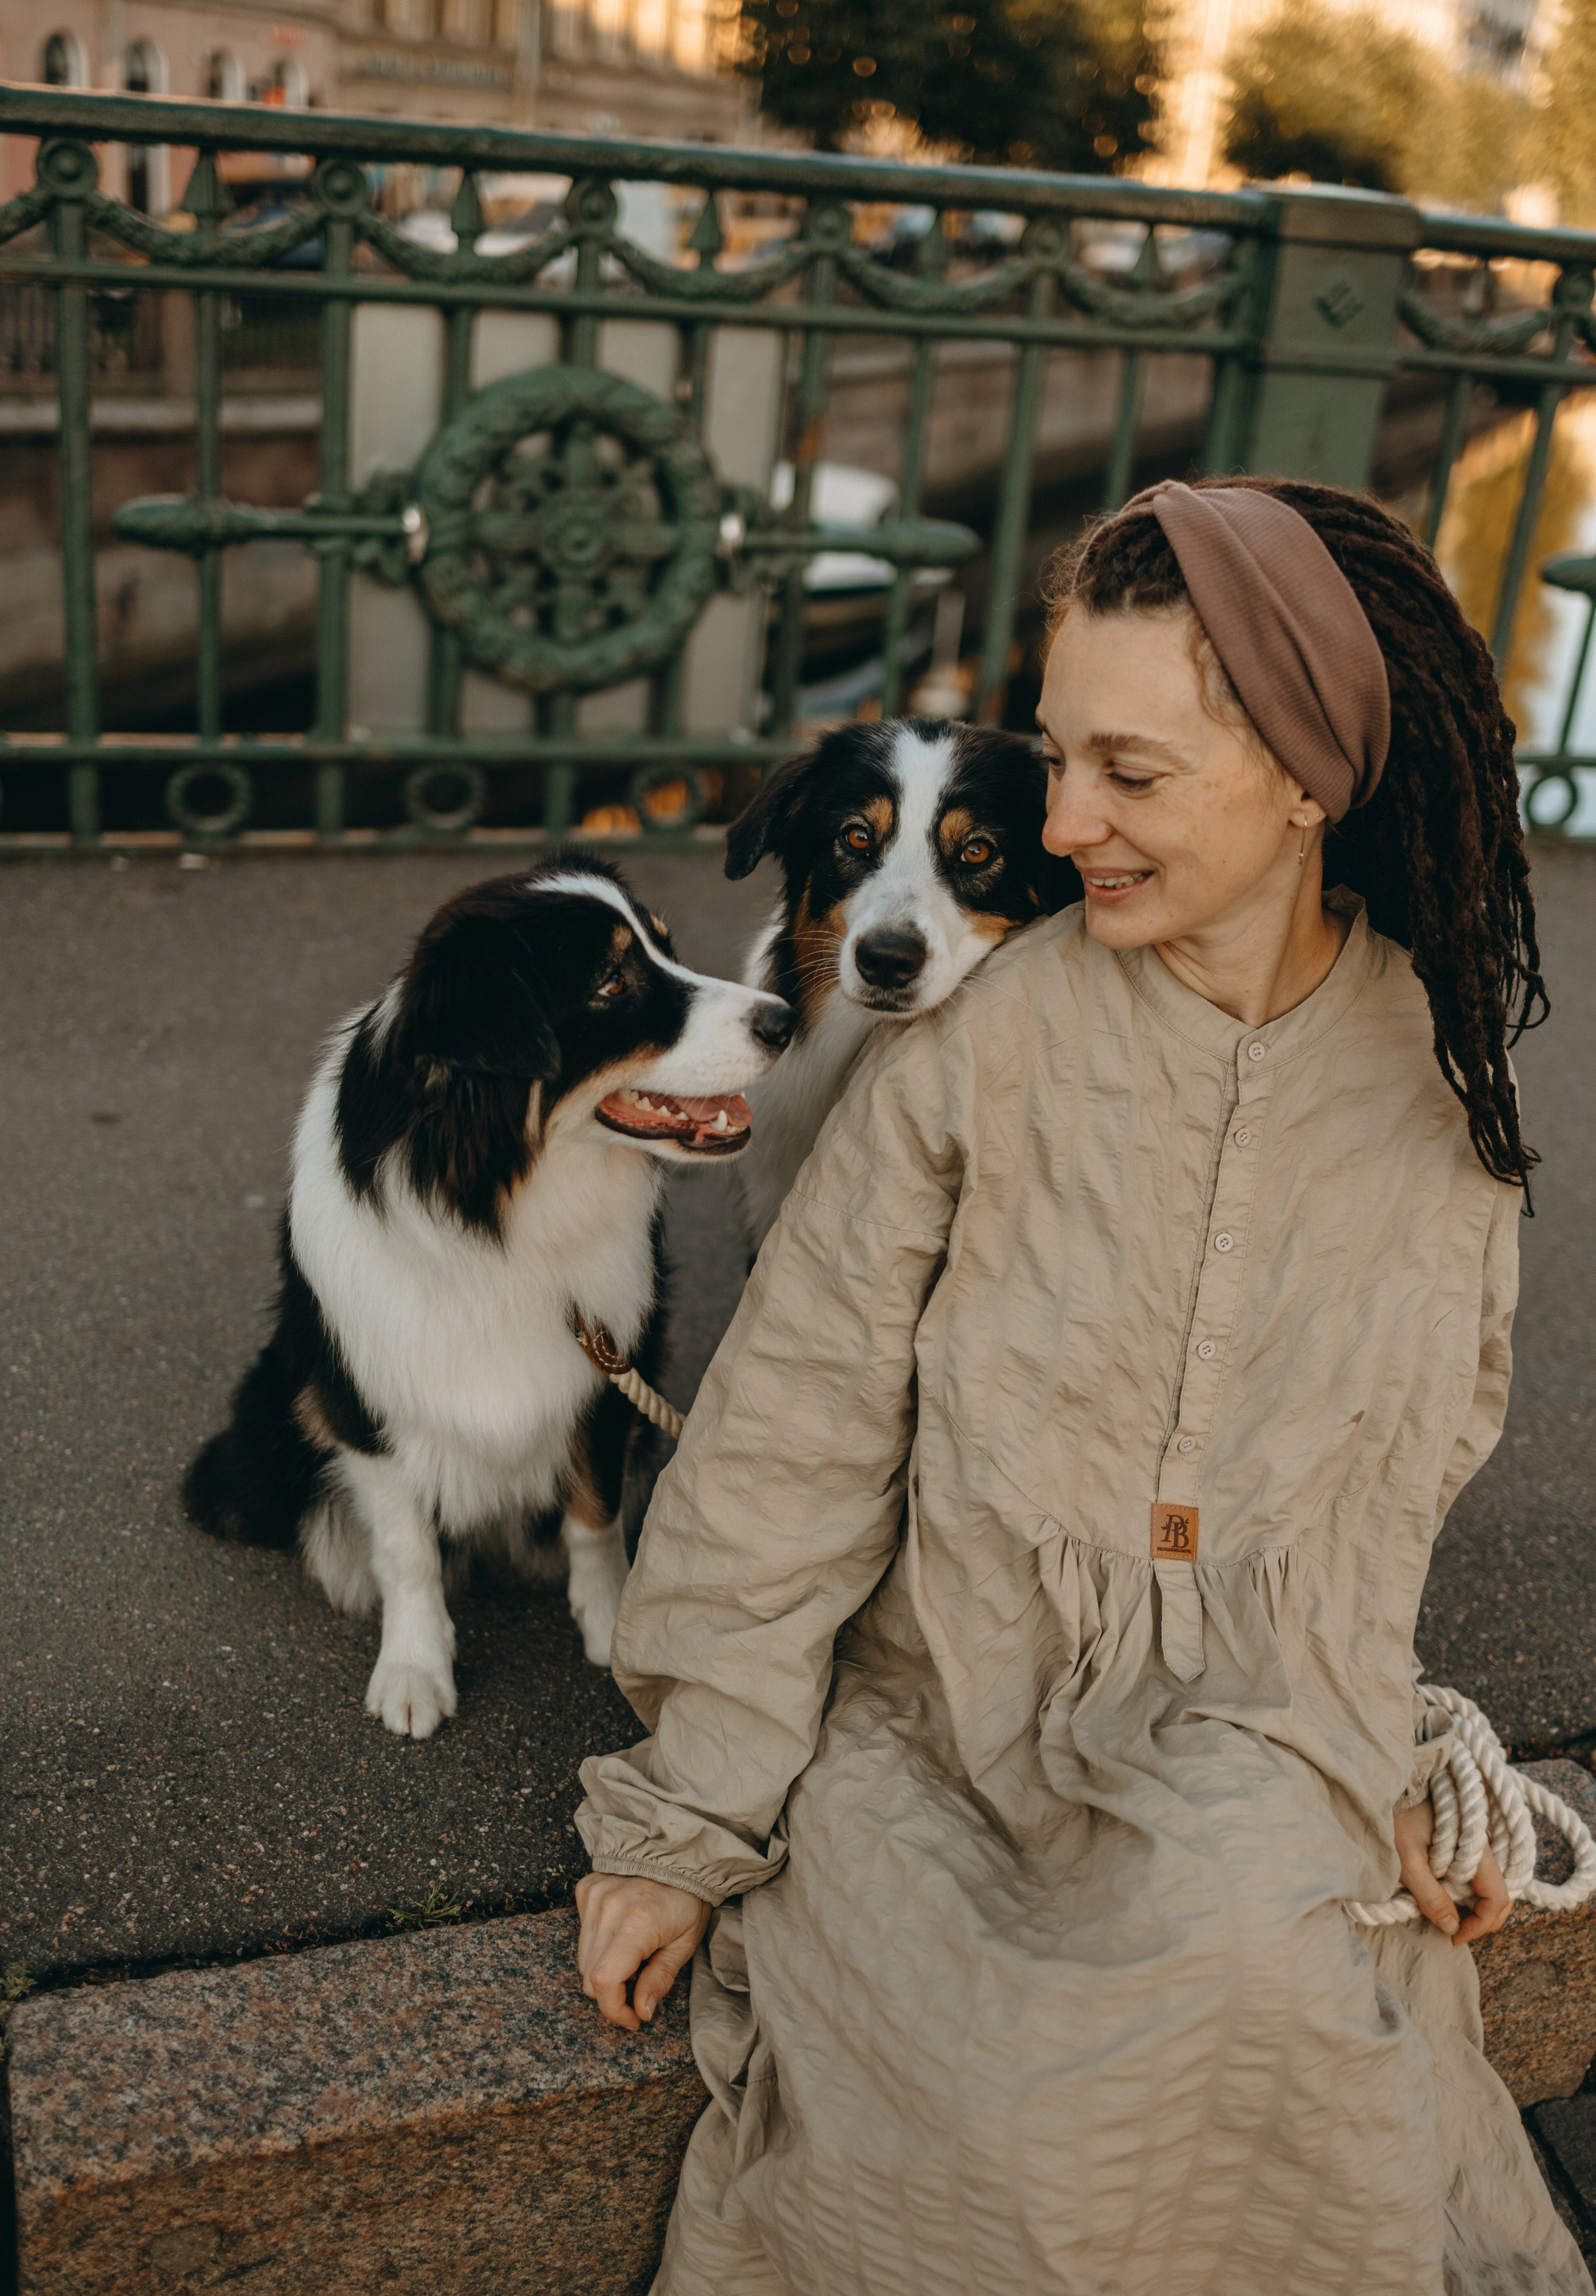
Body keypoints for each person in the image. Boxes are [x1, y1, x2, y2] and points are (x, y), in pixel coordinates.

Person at [572, 476, 1585, 2296]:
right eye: (1058, 762)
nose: (1064, 825)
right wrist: (688, 1819)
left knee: (1262, 1963)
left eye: (1129, 773)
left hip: (1258, 1724)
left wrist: (1375, 1754)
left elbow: (1385, 1487)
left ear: (1304, 775)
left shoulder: (1432, 1103)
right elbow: (791, 1434)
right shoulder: (979, 1043)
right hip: (941, 1701)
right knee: (969, 2089)